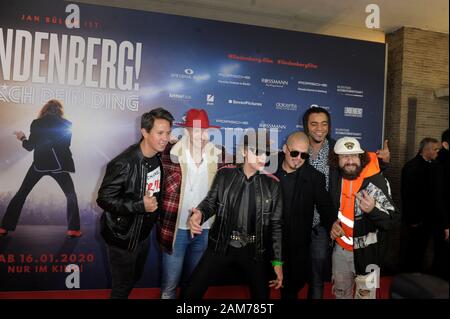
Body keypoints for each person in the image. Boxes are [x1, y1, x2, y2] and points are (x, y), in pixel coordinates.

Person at [182, 129, 283, 299]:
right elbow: (210, 203)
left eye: (266, 153)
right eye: (257, 152)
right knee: (190, 294)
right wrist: (199, 214)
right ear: (244, 151)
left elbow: (276, 226)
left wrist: (277, 261)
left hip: (254, 251)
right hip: (221, 244)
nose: (263, 158)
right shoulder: (224, 174)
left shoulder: (273, 184)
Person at [301, 107, 390, 298]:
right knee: (302, 275)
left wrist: (382, 163)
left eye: (324, 124)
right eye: (314, 123)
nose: (319, 128)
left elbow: (360, 163)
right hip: (301, 222)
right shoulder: (298, 149)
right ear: (306, 126)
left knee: (321, 277)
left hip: (326, 224)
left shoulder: (337, 149)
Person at [97, 107, 174, 299]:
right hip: (123, 238)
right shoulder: (124, 163)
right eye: (160, 133)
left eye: (168, 132)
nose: (165, 138)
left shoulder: (158, 157)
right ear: (145, 132)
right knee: (121, 289)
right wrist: (139, 205)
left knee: (134, 279)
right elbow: (104, 199)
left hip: (143, 235)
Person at [158, 108, 228, 299]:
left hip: (204, 229)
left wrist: (268, 152)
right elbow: (146, 151)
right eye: (198, 131)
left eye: (206, 131)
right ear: (187, 130)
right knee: (169, 286)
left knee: (195, 284)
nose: (203, 136)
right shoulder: (168, 152)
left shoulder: (219, 154)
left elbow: (240, 169)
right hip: (175, 228)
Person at [329, 137, 399, 299]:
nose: (350, 161)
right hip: (340, 251)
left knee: (366, 296)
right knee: (340, 294)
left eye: (354, 156)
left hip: (369, 253)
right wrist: (330, 224)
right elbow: (328, 208)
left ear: (361, 157)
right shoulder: (334, 178)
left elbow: (393, 220)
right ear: (336, 160)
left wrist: (372, 210)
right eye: (344, 156)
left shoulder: (375, 181)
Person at [0, 99, 81, 238]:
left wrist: (22, 137)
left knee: (21, 194)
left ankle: (4, 227)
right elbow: (66, 145)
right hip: (58, 166)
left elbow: (29, 146)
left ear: (44, 110)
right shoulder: (67, 124)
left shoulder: (37, 123)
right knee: (71, 195)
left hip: (40, 165)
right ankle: (73, 230)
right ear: (60, 110)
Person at [275, 131, 336, 299]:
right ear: (285, 149)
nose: (298, 158)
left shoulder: (315, 177)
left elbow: (325, 206)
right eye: (294, 153)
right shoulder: (268, 168)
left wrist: (333, 223)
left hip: (296, 246)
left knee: (290, 290)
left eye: (304, 155)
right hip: (268, 242)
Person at [401, 137, 443, 273]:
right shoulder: (411, 167)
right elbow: (408, 196)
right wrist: (413, 220)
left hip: (429, 219)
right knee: (413, 251)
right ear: (427, 150)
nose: (438, 152)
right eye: (436, 149)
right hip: (416, 220)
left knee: (422, 250)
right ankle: (409, 278)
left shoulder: (432, 165)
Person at [433, 129, 449, 280]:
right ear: (445, 144)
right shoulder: (440, 164)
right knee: (442, 258)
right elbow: (439, 197)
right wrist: (446, 225)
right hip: (443, 222)